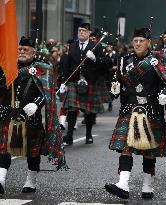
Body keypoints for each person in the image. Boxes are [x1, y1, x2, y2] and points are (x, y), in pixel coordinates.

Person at [104, 28, 166, 199]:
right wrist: (115, 88)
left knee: (148, 151)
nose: (138, 44)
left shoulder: (159, 60)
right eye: (135, 41)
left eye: (141, 41)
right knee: (126, 147)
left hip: (151, 110)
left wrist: (164, 93)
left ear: (148, 42)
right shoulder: (125, 60)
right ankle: (123, 184)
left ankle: (148, 184)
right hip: (129, 109)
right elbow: (118, 81)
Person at [0, 37, 67, 194]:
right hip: (10, 114)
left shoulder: (42, 68)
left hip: (30, 116)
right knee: (4, 148)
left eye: (25, 50)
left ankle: (31, 180)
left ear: (33, 52)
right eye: (20, 49)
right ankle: (1, 180)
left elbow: (47, 93)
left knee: (33, 152)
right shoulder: (8, 66)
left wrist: (37, 104)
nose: (22, 52)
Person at [60, 23, 111, 145]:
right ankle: (69, 135)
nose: (81, 32)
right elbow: (68, 65)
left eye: (84, 31)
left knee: (88, 110)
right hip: (74, 81)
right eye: (80, 30)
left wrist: (94, 58)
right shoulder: (72, 46)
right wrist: (63, 82)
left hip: (90, 81)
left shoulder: (96, 46)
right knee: (72, 108)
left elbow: (105, 63)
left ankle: (88, 134)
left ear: (89, 33)